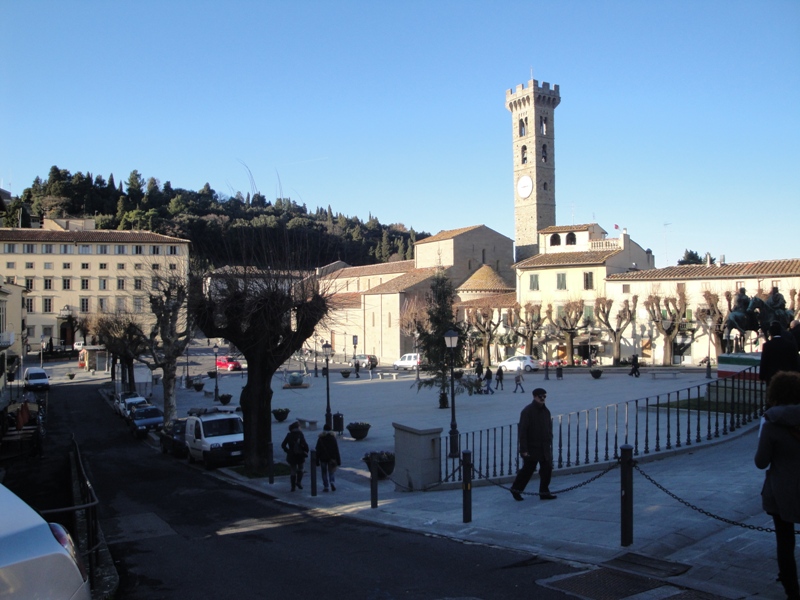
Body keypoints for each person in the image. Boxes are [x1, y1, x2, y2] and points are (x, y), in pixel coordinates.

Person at [754, 371, 800, 599]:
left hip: (782, 491)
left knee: (785, 543)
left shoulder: (772, 422)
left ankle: (792, 590)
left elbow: (760, 462)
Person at [510, 388, 556, 501]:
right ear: (535, 397)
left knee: (547, 469)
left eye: (544, 396)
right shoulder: (527, 411)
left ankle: (544, 492)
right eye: (540, 396)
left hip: (544, 446)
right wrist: (524, 449)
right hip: (532, 447)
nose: (543, 398)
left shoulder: (546, 411)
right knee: (528, 470)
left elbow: (548, 427)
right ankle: (516, 489)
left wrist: (549, 438)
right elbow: (523, 431)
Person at [280, 421, 309, 491]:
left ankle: (293, 487)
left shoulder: (289, 435)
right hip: (300, 455)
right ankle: (298, 482)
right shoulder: (300, 434)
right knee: (301, 468)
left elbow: (283, 445)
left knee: (293, 470)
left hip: (291, 455)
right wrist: (306, 451)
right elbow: (305, 444)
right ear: (297, 427)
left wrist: (288, 451)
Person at [315, 423, 342, 492]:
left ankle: (326, 486)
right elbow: (336, 450)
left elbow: (317, 450)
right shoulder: (333, 438)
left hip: (323, 458)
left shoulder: (320, 438)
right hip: (332, 458)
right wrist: (338, 461)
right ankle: (332, 482)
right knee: (331, 472)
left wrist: (317, 460)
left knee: (324, 472)